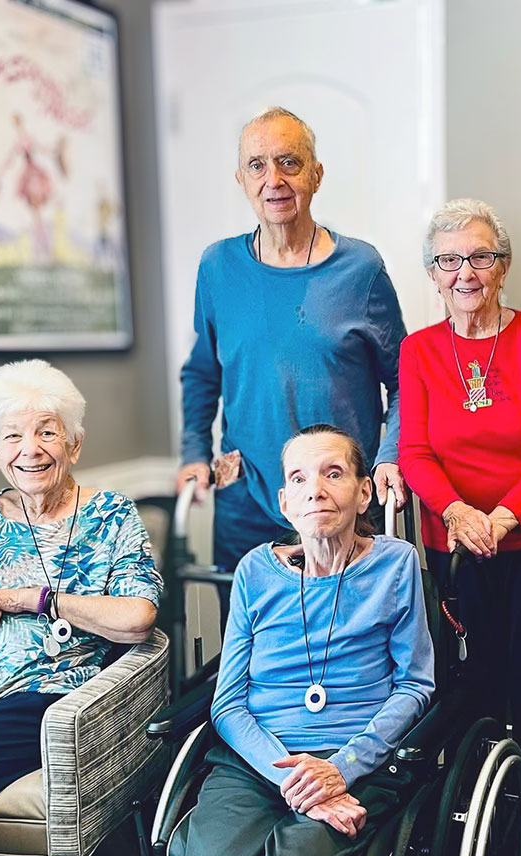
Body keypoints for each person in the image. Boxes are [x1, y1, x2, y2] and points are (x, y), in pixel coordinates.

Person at [178, 424, 434, 856]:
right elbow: (227, 703)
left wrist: (341, 769)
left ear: (364, 492)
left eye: (333, 473)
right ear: (284, 501)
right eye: (299, 477)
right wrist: (296, 775)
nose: (315, 489)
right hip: (255, 765)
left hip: (359, 767)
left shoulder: (396, 563)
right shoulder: (255, 571)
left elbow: (415, 685)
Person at [398, 197, 521, 856]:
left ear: (503, 266)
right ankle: (479, 828)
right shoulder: (419, 350)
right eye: (449, 260)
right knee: (478, 688)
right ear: (434, 274)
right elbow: (415, 451)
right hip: (458, 543)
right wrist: (456, 512)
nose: (465, 272)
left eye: (479, 256)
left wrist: (503, 517)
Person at [178, 106, 407, 580]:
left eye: (290, 162)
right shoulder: (218, 267)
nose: (273, 180)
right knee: (250, 638)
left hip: (338, 497)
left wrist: (389, 457)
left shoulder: (360, 268)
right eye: (257, 165)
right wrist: (195, 452)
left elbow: (405, 380)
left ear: (316, 174)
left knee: (342, 643)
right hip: (247, 495)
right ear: (240, 179)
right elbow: (203, 372)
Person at [0, 359, 163, 822]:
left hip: (40, 695)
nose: (29, 450)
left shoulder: (111, 515)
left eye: (47, 432)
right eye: (11, 436)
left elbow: (138, 618)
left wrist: (36, 599)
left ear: (75, 443)